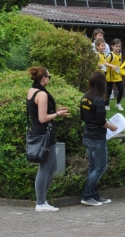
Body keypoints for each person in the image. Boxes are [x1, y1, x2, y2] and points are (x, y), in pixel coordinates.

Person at [26, 67, 70, 212]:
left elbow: (41, 113)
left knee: (52, 167)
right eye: (49, 76)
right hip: (45, 134)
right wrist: (57, 115)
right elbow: (43, 118)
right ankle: (40, 203)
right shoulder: (42, 94)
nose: (49, 79)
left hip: (41, 132)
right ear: (44, 78)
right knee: (45, 169)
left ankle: (43, 200)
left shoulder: (32, 91)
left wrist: (55, 112)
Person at [80, 72, 117, 206]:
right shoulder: (99, 100)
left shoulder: (85, 97)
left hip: (87, 136)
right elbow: (101, 122)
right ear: (102, 83)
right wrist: (112, 127)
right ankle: (87, 195)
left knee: (93, 168)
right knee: (100, 167)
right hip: (97, 138)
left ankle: (95, 196)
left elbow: (83, 117)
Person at [105, 39, 125, 111]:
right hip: (110, 77)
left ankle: (118, 103)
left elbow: (119, 63)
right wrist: (112, 66)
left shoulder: (120, 54)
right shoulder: (110, 55)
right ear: (112, 46)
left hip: (118, 76)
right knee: (109, 92)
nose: (118, 48)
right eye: (116, 46)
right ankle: (106, 104)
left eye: (119, 46)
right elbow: (105, 63)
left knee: (121, 90)